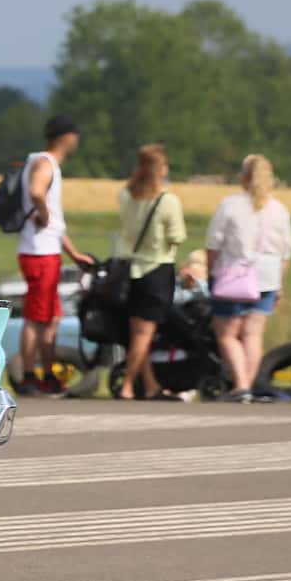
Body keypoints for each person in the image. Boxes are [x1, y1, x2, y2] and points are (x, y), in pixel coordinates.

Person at [14, 115, 95, 395]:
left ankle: (47, 373)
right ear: (66, 137)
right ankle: (27, 375)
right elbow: (38, 193)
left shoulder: (43, 163)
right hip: (39, 254)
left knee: (51, 317)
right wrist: (44, 214)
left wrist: (72, 252)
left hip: (46, 251)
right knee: (36, 318)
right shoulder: (45, 163)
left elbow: (56, 220)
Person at [205, 153, 291, 403]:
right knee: (253, 335)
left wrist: (212, 274)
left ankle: (240, 386)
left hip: (234, 274)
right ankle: (248, 386)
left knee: (227, 334)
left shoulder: (230, 205)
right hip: (267, 276)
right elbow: (285, 252)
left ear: (243, 177)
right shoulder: (279, 209)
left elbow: (214, 244)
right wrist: (279, 285)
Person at [110, 144, 188, 401]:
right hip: (156, 268)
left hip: (129, 270)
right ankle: (128, 385)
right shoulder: (168, 201)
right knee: (144, 335)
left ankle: (152, 384)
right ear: (161, 169)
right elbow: (177, 236)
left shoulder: (125, 196)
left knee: (137, 335)